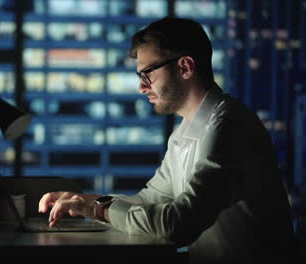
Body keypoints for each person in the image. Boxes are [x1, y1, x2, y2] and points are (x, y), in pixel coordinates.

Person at [38, 17, 298, 263]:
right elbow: (152, 200)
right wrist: (84, 201)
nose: (142, 87)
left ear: (185, 67)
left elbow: (178, 225)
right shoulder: (185, 131)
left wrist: (96, 210)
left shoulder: (228, 127)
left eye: (147, 73)